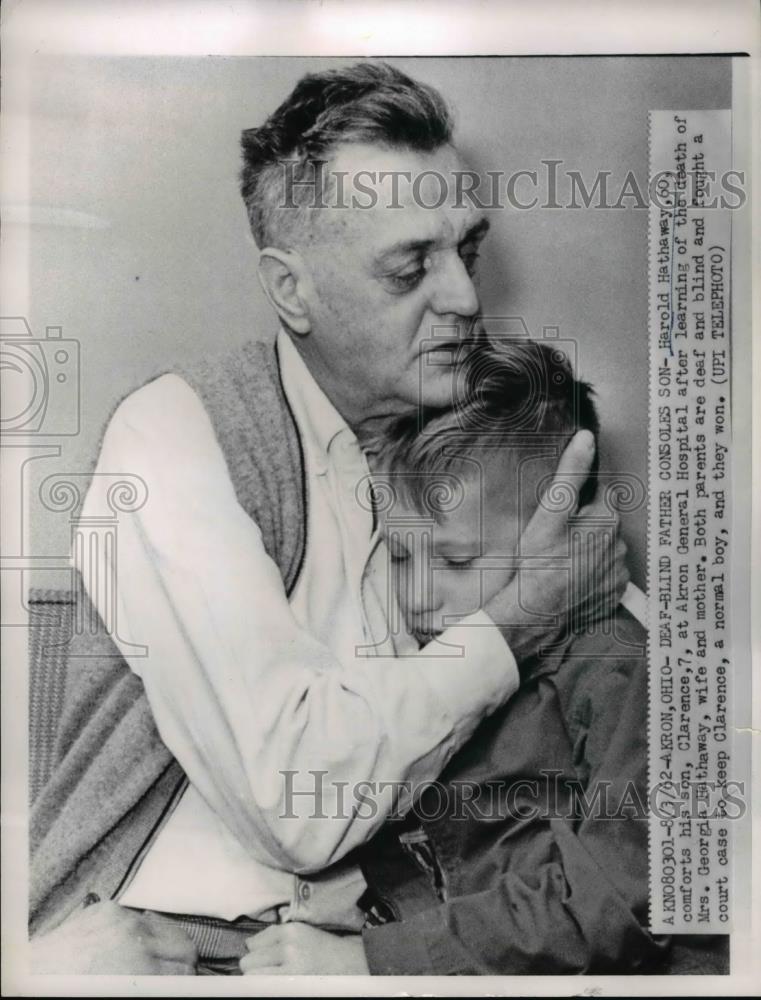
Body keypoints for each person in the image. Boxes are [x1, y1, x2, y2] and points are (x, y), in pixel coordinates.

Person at [29, 62, 627, 974]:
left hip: (382, 941)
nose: (465, 299)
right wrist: (519, 620)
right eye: (408, 265)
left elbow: (618, 631)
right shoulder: (177, 436)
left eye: (464, 250)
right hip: (151, 939)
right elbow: (298, 813)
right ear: (291, 289)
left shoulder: (457, 428)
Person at [240, 337, 659, 975]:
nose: (420, 593)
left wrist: (375, 962)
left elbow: (624, 904)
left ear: (567, 529)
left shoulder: (623, 670)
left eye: (459, 560)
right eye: (403, 556)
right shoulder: (431, 662)